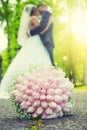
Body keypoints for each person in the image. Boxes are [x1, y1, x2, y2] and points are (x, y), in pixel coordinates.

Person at [0, 4, 53, 98]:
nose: (38, 12)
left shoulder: (29, 19)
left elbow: (30, 33)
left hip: (32, 40)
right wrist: (49, 22)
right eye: (37, 10)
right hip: (36, 41)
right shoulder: (33, 18)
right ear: (34, 11)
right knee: (36, 60)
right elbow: (40, 30)